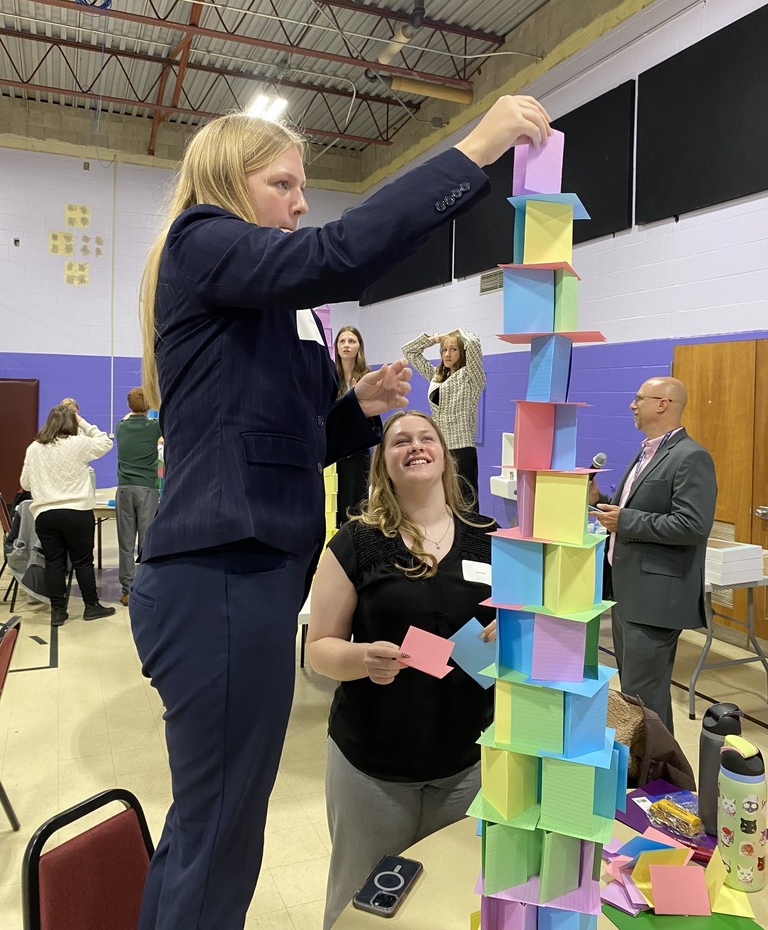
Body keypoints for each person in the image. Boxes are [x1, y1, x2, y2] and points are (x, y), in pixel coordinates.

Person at [131, 93, 551, 930]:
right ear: (227, 181)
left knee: (221, 830)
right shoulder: (201, 237)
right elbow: (343, 255)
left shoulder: (239, 301)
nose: (298, 204)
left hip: (243, 576)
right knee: (218, 836)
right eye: (283, 184)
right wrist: (476, 149)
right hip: (218, 577)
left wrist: (353, 408)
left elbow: (277, 443)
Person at [306, 411, 497, 929]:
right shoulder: (355, 542)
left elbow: (531, 638)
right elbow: (317, 649)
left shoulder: (491, 539)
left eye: (427, 437)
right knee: (360, 906)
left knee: (451, 901)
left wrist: (518, 631)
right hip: (373, 765)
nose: (415, 447)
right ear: (382, 464)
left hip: (468, 762)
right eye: (400, 441)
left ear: (445, 455)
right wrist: (361, 658)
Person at [595, 377, 717, 734]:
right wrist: (598, 499)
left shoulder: (691, 456)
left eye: (638, 399)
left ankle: (650, 779)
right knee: (642, 698)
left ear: (663, 403)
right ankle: (658, 777)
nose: (632, 405)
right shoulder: (647, 451)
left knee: (640, 698)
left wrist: (626, 520)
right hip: (628, 591)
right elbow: (634, 509)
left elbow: (693, 525)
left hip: (654, 599)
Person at [19, 404, 116, 626]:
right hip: (77, 512)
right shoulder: (79, 443)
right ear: (72, 423)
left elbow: (24, 483)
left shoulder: (34, 448)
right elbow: (105, 442)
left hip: (45, 513)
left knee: (54, 562)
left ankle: (57, 612)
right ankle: (91, 606)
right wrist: (82, 421)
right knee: (83, 561)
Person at [402, 327, 485, 503]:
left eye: (453, 349)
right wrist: (434, 339)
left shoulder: (471, 376)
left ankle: (468, 532)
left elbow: (474, 343)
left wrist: (458, 331)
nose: (447, 354)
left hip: (462, 449)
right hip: (439, 448)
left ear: (462, 352)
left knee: (465, 503)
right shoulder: (436, 376)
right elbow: (409, 351)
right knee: (442, 501)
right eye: (444, 350)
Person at [115, 387, 161, 605]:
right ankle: (147, 587)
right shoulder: (154, 428)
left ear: (128, 406)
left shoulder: (121, 427)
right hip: (147, 490)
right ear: (149, 406)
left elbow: (127, 417)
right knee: (146, 541)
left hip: (124, 489)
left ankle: (126, 590)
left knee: (125, 542)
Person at [333, 325, 372, 526]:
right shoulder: (330, 378)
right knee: (335, 504)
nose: (347, 345)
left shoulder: (367, 378)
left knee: (356, 505)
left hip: (358, 451)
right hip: (334, 451)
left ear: (359, 347)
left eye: (351, 341)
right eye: (342, 341)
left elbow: (372, 419)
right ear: (336, 347)